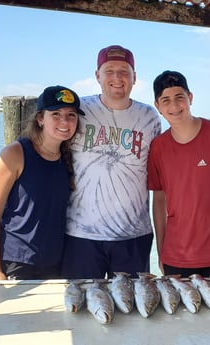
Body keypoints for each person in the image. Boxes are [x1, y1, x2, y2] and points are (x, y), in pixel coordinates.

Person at [62, 45, 162, 279]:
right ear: (97, 75)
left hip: (133, 234)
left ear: (135, 78)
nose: (117, 78)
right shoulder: (79, 110)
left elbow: (160, 169)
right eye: (109, 71)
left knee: (135, 309)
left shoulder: (149, 116)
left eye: (124, 71)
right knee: (83, 306)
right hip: (81, 234)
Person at [147, 70, 210, 278]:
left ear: (190, 98)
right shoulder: (158, 148)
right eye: (166, 100)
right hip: (176, 257)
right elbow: (159, 200)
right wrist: (162, 250)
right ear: (158, 106)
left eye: (179, 97)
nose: (173, 106)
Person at [0, 85, 82, 280]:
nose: (65, 121)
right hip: (16, 261)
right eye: (56, 114)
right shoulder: (15, 154)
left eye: (71, 115)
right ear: (40, 118)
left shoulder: (68, 157)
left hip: (55, 263)